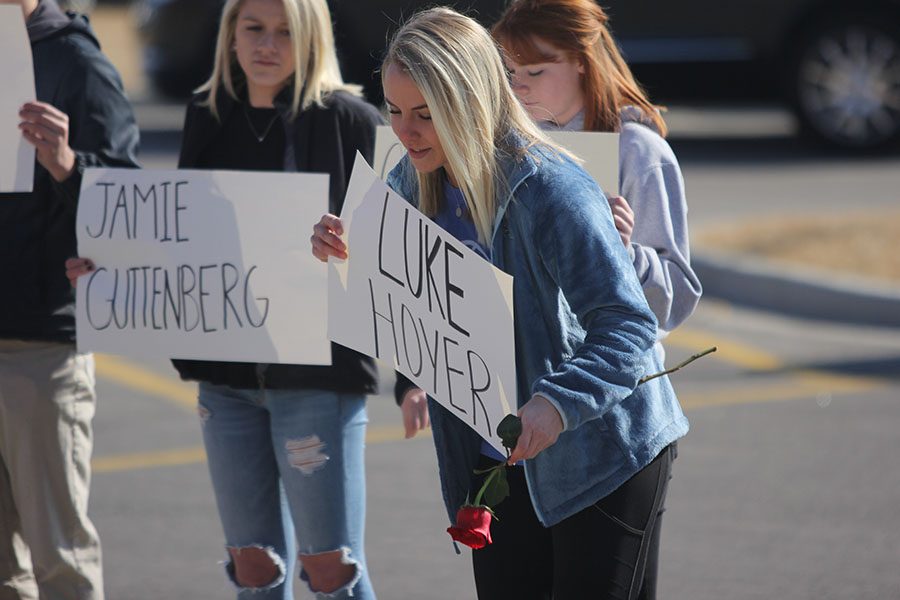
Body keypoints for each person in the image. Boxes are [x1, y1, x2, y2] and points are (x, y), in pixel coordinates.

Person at [311, 7, 688, 600]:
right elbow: (410, 299)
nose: (405, 133)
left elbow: (628, 324)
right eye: (395, 111)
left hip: (602, 452)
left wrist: (556, 405)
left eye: (426, 115)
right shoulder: (410, 181)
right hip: (499, 460)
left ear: (470, 102)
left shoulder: (552, 189)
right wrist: (343, 253)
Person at [67, 0, 381, 598]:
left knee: (330, 570)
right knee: (253, 566)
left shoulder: (350, 119)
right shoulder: (207, 113)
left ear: (312, 37)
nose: (267, 45)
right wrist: (109, 268)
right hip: (226, 381)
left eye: (286, 32)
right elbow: (180, 239)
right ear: (230, 36)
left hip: (317, 380)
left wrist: (411, 375)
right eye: (254, 28)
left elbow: (396, 253)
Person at [0, 0, 140, 598]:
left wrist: (65, 164)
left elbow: (131, 203)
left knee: (60, 559)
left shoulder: (76, 61)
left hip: (40, 344)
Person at [491, 0, 702, 354]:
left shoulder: (637, 151)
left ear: (581, 61)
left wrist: (621, 251)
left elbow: (676, 295)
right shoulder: (508, 147)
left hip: (612, 379)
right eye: (509, 73)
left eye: (535, 71)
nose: (518, 87)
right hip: (524, 368)